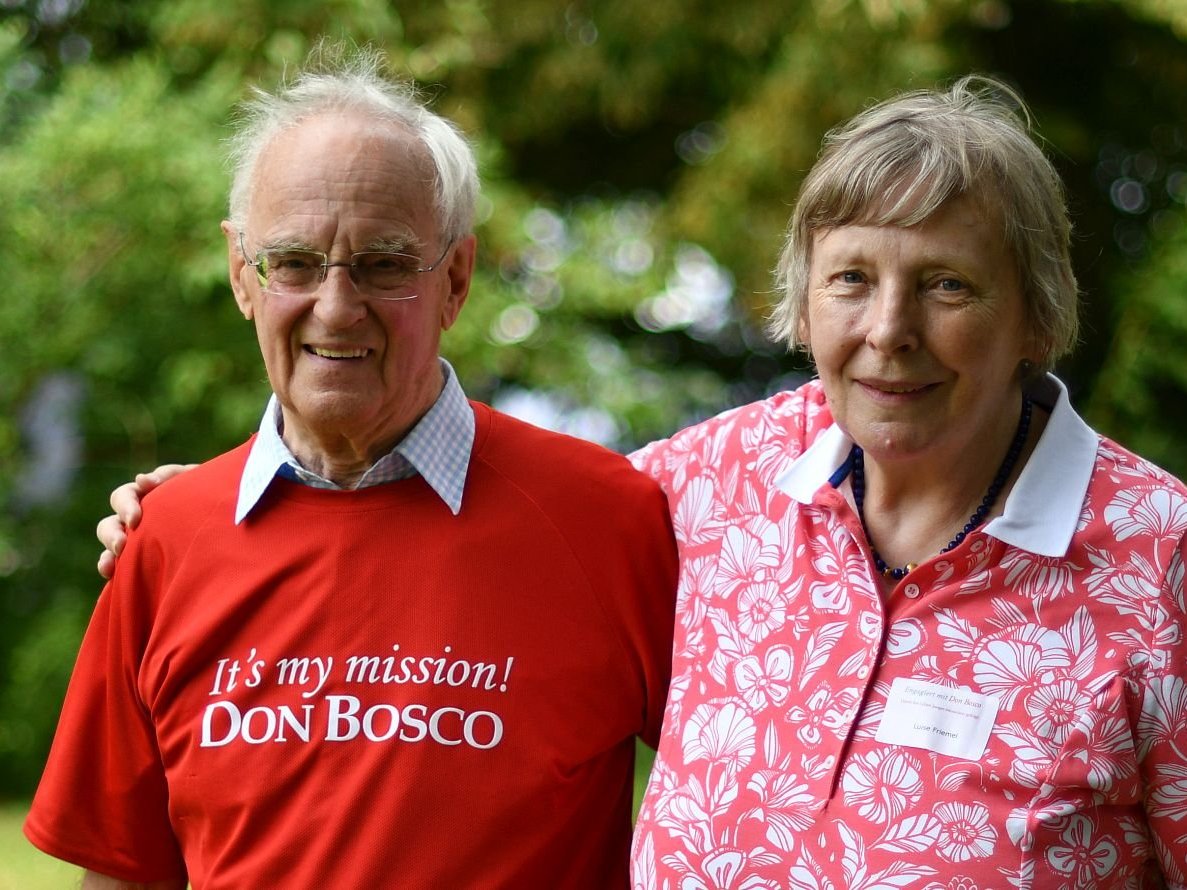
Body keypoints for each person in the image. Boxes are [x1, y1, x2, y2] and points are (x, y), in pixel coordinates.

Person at [93, 76, 1187, 886]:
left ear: (1037, 312)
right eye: (849, 280)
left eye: (946, 285)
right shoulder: (699, 493)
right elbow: (458, 519)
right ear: (802, 309)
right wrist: (221, 510)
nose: (887, 332)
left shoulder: (1159, 563)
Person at [26, 44, 677, 890]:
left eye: (384, 264)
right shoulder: (167, 541)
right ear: (241, 274)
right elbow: (122, 870)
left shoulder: (608, 522)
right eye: (294, 262)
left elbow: (752, 797)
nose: (336, 307)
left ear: (457, 280)